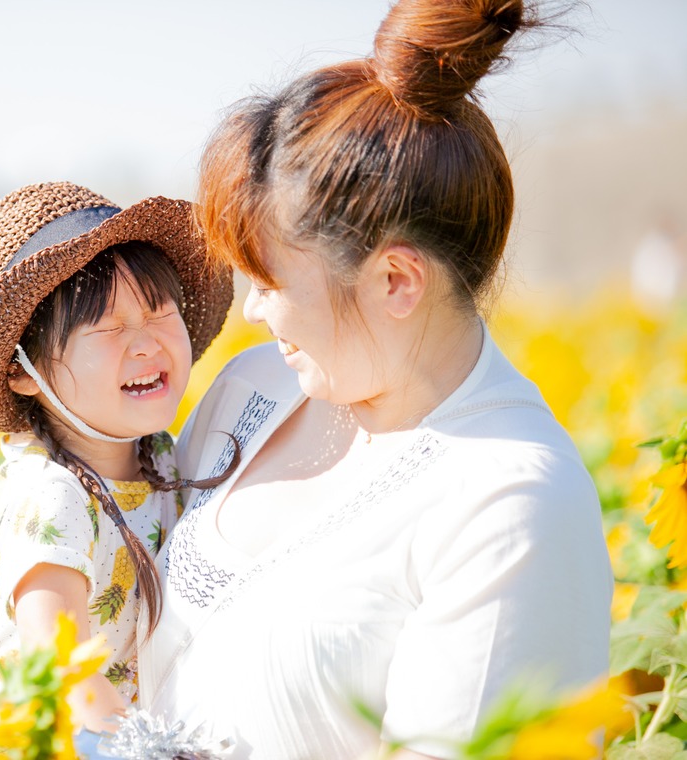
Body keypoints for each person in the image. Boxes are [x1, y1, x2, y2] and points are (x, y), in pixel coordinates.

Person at [138, 0, 614, 757]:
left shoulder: (510, 504)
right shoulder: (252, 390)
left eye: (268, 279)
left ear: (395, 280)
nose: (252, 312)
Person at [0, 182, 234, 731]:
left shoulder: (164, 460)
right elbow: (63, 671)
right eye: (106, 328)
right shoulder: (51, 496)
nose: (145, 343)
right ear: (22, 372)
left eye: (159, 312)